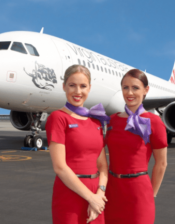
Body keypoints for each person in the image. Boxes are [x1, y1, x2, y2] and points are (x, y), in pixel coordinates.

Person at [45, 65, 109, 224]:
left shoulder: (96, 121)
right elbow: (59, 167)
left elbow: (102, 166)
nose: (77, 91)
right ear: (64, 86)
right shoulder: (58, 118)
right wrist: (91, 198)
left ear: (89, 88)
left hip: (96, 193)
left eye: (83, 86)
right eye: (72, 85)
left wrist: (100, 194)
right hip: (70, 193)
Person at [104, 69, 168, 224]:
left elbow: (161, 163)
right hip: (111, 191)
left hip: (139, 193)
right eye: (125, 87)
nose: (129, 92)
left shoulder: (154, 122)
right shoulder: (112, 120)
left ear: (146, 90)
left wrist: (151, 194)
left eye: (135, 88)